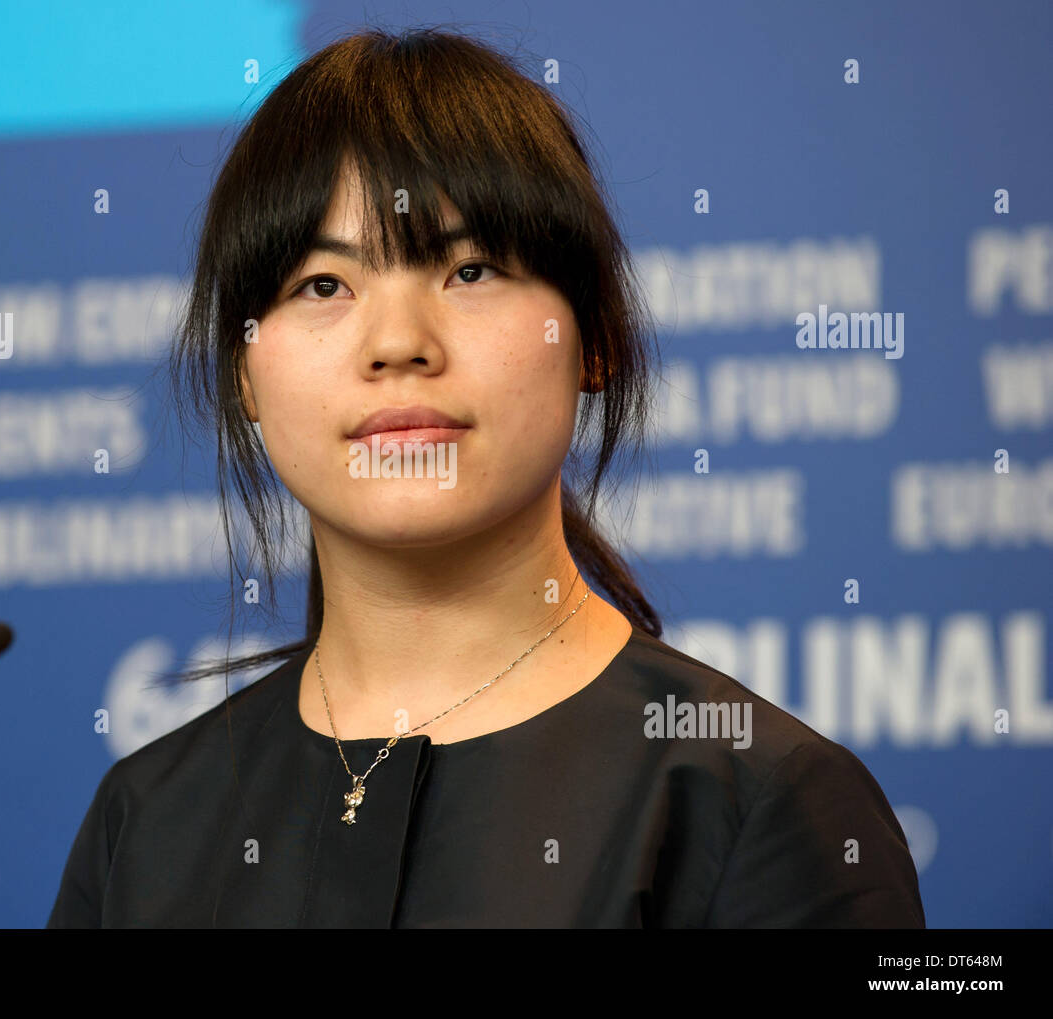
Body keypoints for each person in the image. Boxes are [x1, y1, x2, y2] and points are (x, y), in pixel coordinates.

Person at [46, 26, 925, 928]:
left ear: (595, 340)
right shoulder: (144, 824)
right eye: (322, 285)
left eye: (470, 269)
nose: (397, 344)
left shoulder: (757, 804)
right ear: (245, 373)